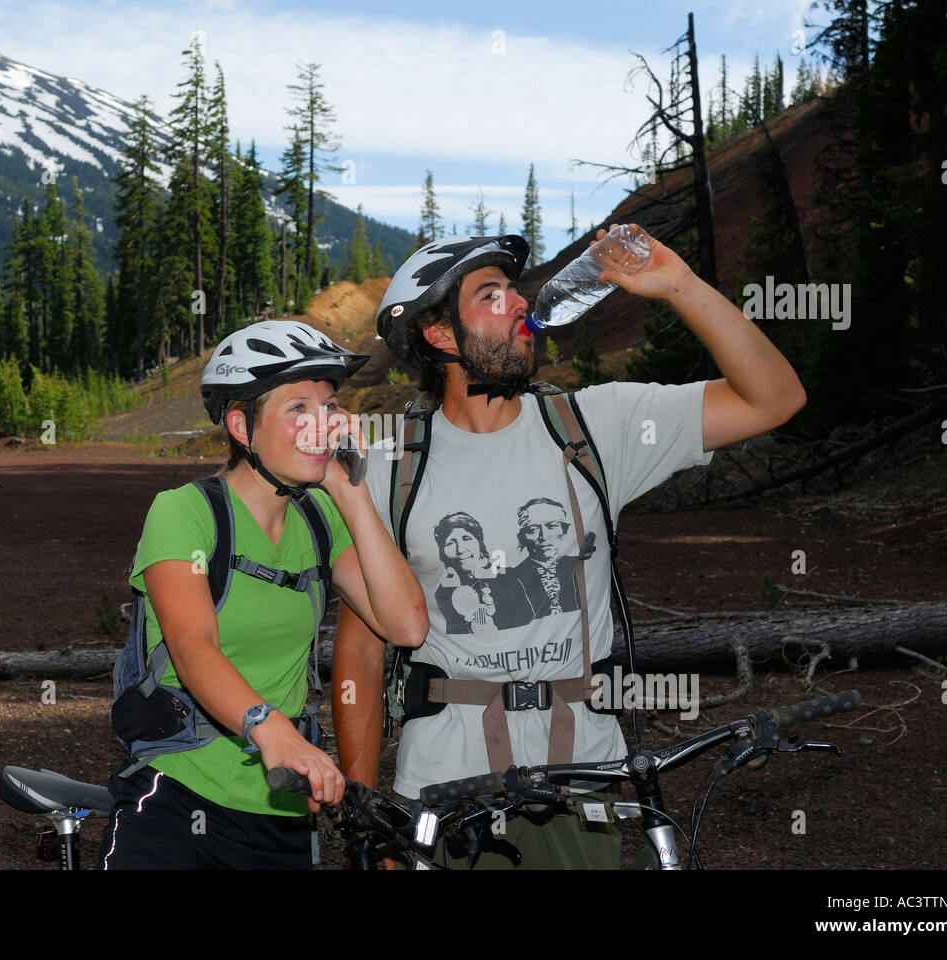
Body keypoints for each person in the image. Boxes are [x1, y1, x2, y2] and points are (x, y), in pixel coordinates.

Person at [332, 226, 806, 869]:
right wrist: (369, 816)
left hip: (583, 779)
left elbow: (775, 398)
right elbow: (361, 647)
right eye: (491, 295)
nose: (521, 304)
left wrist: (680, 285)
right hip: (444, 791)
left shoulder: (595, 427)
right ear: (439, 334)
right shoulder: (391, 467)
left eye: (517, 291)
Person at [100, 320, 427, 870]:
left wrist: (351, 493)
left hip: (280, 816)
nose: (320, 424)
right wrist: (272, 730)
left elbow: (407, 627)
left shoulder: (321, 521)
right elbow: (194, 647)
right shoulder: (184, 512)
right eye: (297, 408)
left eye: (328, 406)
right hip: (176, 802)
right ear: (242, 427)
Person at [432, 511, 533, 633]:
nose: (460, 549)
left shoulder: (506, 579)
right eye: (451, 543)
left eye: (466, 538)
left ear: (479, 543)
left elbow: (527, 626)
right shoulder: (441, 591)